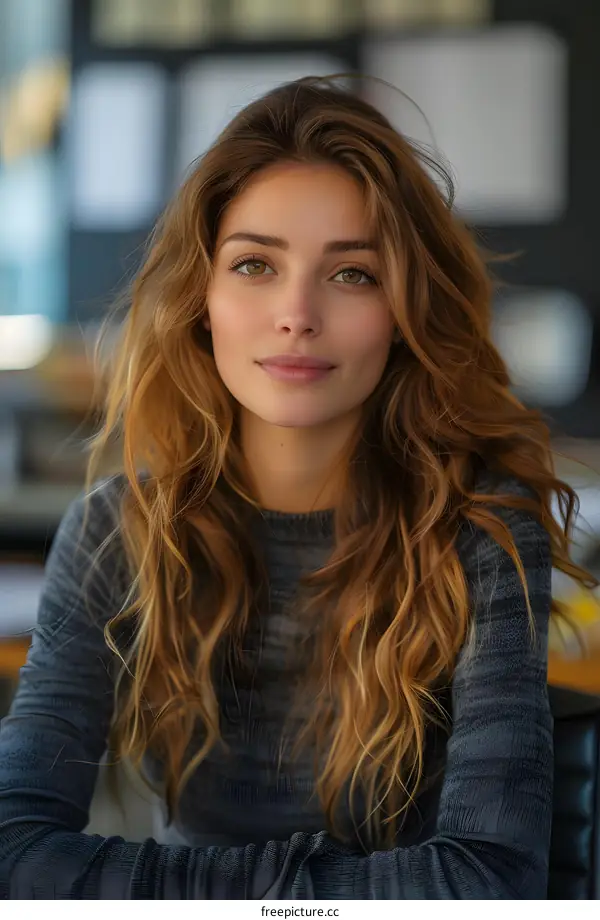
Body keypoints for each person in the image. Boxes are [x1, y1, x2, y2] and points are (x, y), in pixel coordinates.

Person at [0, 76, 596, 900]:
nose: (296, 313)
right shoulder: (117, 528)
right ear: (201, 299)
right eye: (254, 264)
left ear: (404, 309)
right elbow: (13, 850)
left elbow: (490, 880)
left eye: (352, 274)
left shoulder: (478, 530)